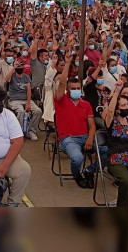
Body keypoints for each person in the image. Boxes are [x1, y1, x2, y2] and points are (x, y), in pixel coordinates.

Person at [53, 54, 104, 189]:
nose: (76, 91)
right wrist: (68, 64)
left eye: (78, 88)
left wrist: (90, 138)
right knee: (77, 158)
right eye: (73, 89)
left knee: (108, 152)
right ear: (68, 90)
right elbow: (62, 83)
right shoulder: (61, 101)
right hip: (68, 138)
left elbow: (91, 125)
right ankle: (77, 175)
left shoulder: (86, 104)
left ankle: (89, 171)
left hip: (85, 137)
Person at [7, 59, 41, 141]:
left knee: (38, 111)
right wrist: (13, 68)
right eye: (18, 66)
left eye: (21, 65)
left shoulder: (26, 77)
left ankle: (31, 131)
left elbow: (28, 91)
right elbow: (7, 79)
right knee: (21, 111)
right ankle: (19, 132)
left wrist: (28, 103)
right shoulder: (12, 76)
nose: (20, 67)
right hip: (14, 100)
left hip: (26, 99)